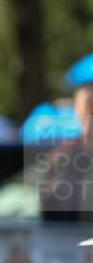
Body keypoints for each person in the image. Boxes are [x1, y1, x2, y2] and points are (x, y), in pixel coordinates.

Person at [39, 81, 93, 223]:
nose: (90, 112)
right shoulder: (62, 154)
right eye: (88, 105)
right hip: (67, 233)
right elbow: (49, 206)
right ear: (76, 109)